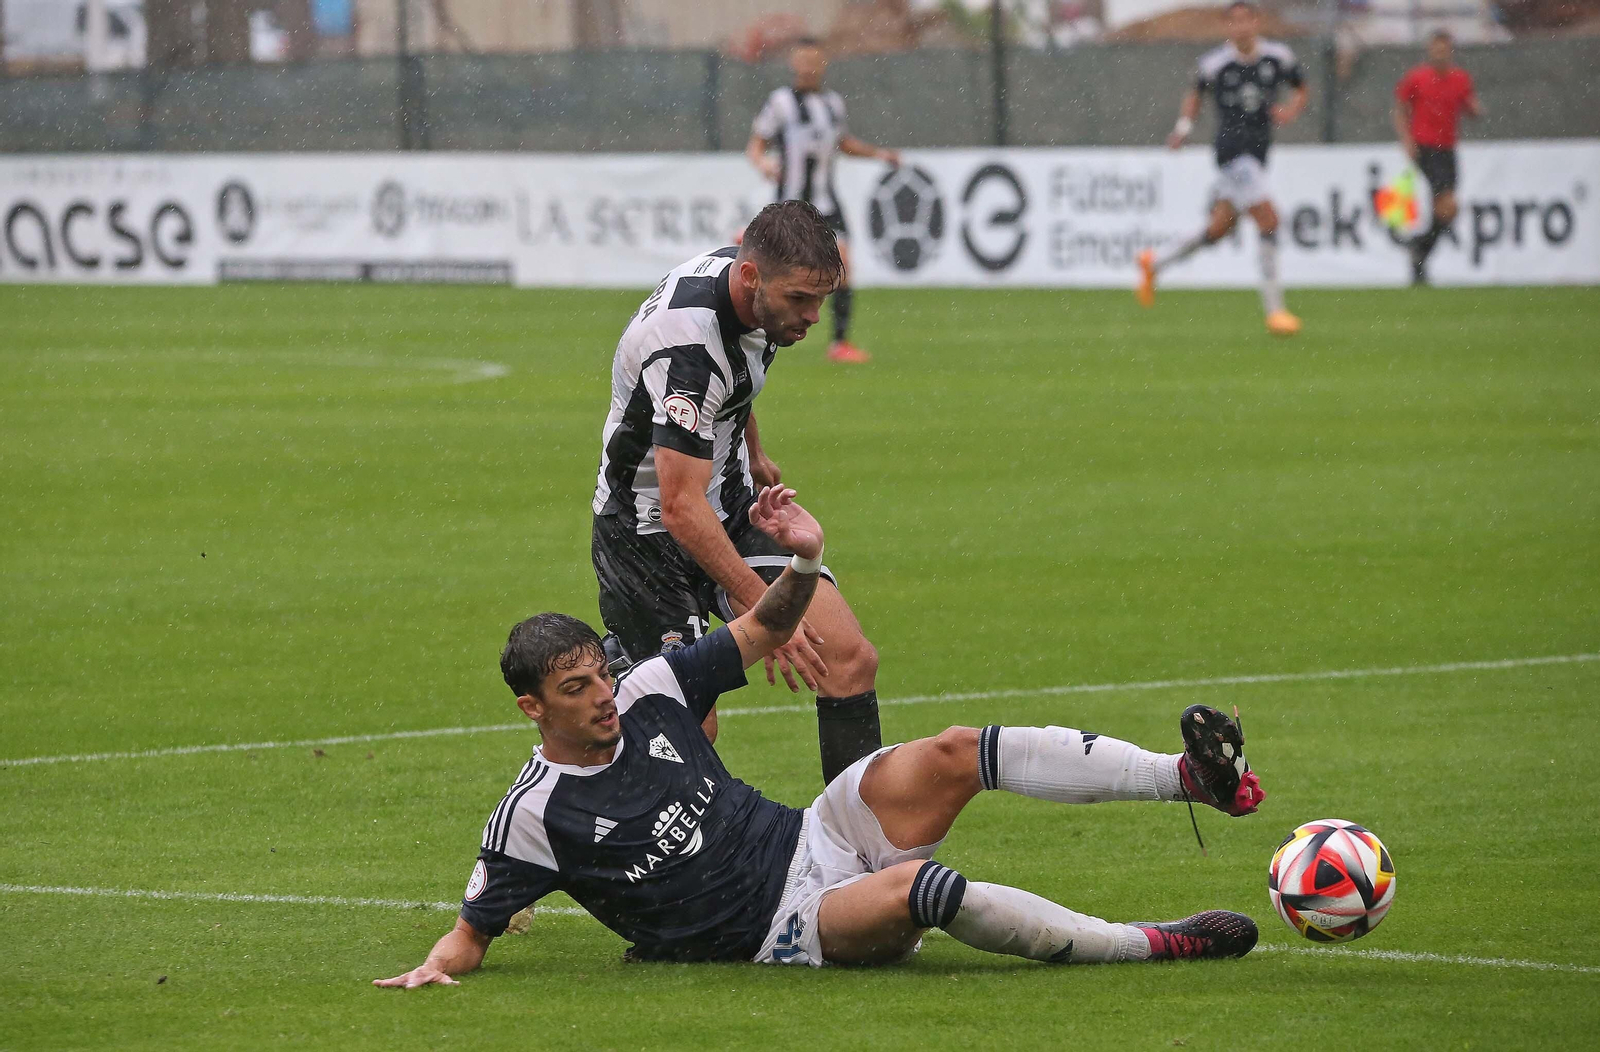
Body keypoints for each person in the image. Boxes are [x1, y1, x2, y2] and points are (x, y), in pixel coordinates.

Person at [374, 487, 1266, 986]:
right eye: (576, 690)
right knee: (925, 889)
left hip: (819, 831)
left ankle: (1187, 780)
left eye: (600, 675)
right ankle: (1156, 941)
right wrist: (433, 968)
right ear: (533, 707)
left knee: (958, 748)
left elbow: (761, 633)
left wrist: (802, 560)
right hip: (785, 924)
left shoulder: (649, 688)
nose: (603, 697)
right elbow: (471, 932)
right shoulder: (532, 816)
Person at [590, 199, 881, 786]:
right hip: (645, 541)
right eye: (801, 300)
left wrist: (752, 446)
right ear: (751, 278)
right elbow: (678, 508)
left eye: (821, 299)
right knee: (689, 732)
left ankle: (855, 853)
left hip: (731, 508)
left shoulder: (751, 288)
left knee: (848, 660)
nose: (814, 317)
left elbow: (734, 379)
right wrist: (763, 612)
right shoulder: (686, 351)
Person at [1138, 1, 1309, 336]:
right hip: (1232, 152)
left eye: (1247, 20)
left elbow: (1301, 87)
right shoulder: (1215, 63)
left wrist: (1291, 110)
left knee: (1217, 230)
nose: (1241, 27)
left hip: (1258, 154)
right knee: (1270, 219)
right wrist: (1184, 129)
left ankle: (1154, 264)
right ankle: (1275, 312)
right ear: (1227, 27)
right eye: (1234, 22)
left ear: (1257, 22)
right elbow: (1195, 96)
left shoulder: (1278, 57)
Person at [746, 37, 901, 364]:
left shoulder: (833, 103)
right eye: (802, 60)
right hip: (791, 205)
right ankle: (757, 331)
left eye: (814, 60)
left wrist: (879, 154)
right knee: (776, 272)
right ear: (793, 63)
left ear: (823, 63)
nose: (808, 66)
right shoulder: (780, 102)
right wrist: (764, 164)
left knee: (843, 269)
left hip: (827, 203)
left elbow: (843, 143)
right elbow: (756, 146)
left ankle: (840, 343)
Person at [1393, 29, 1482, 286]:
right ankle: (1419, 250)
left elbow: (1468, 105)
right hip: (1426, 147)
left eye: (1444, 49)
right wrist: (1407, 140)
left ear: (1450, 51)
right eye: (1436, 49)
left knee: (1446, 211)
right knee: (1447, 205)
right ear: (1430, 51)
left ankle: (1419, 252)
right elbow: (1400, 108)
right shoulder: (1417, 78)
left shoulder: (1460, 79)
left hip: (1448, 149)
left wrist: (1476, 110)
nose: (1440, 53)